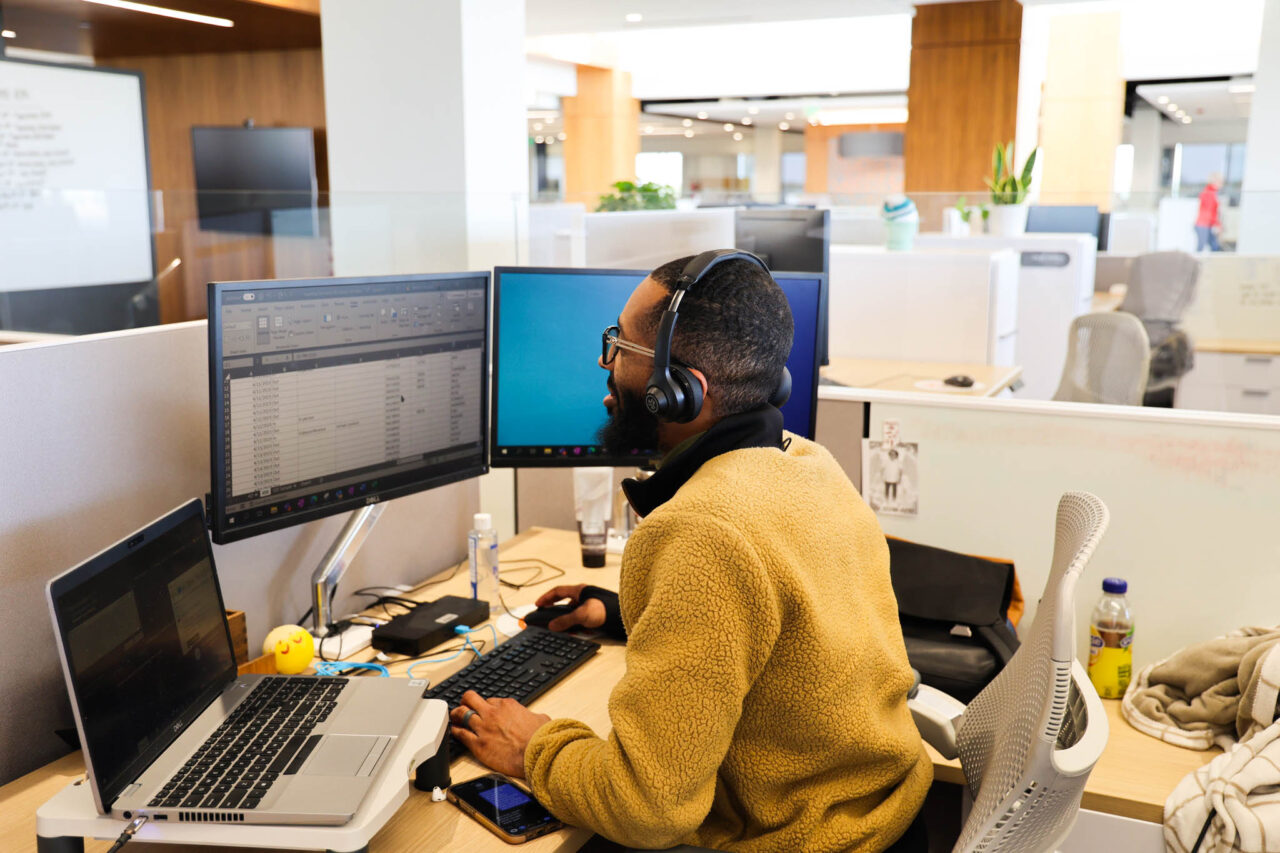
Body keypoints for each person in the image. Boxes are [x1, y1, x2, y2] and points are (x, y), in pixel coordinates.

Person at [449, 252, 932, 852]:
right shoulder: (806, 462)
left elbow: (648, 808)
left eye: (621, 349)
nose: (605, 366)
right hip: (881, 816)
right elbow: (785, 624)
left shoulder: (703, 531)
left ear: (677, 392)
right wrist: (630, 612)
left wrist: (535, 748)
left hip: (800, 840)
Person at [1195, 173, 1223, 252]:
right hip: (1203, 224)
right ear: (1214, 181)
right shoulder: (1209, 193)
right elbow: (1209, 212)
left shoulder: (1213, 193)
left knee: (1214, 246)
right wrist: (1217, 224)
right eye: (1220, 182)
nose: (1222, 184)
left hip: (1207, 224)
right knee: (1201, 247)